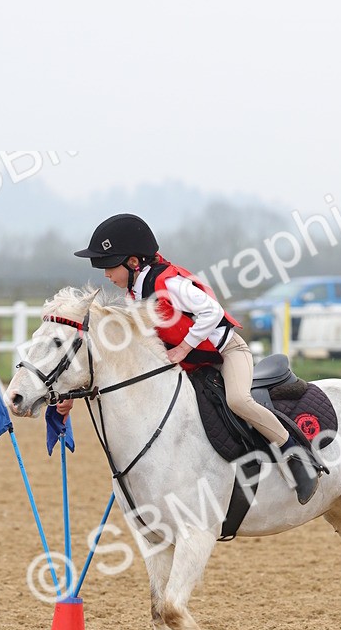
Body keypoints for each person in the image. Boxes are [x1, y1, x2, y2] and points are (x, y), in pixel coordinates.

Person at [66, 213, 318, 504]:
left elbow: (212, 312)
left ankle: (299, 457)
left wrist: (184, 348)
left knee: (238, 400)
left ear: (133, 263)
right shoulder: (134, 293)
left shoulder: (169, 283)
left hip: (227, 353)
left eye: (108, 266)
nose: (105, 274)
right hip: (195, 364)